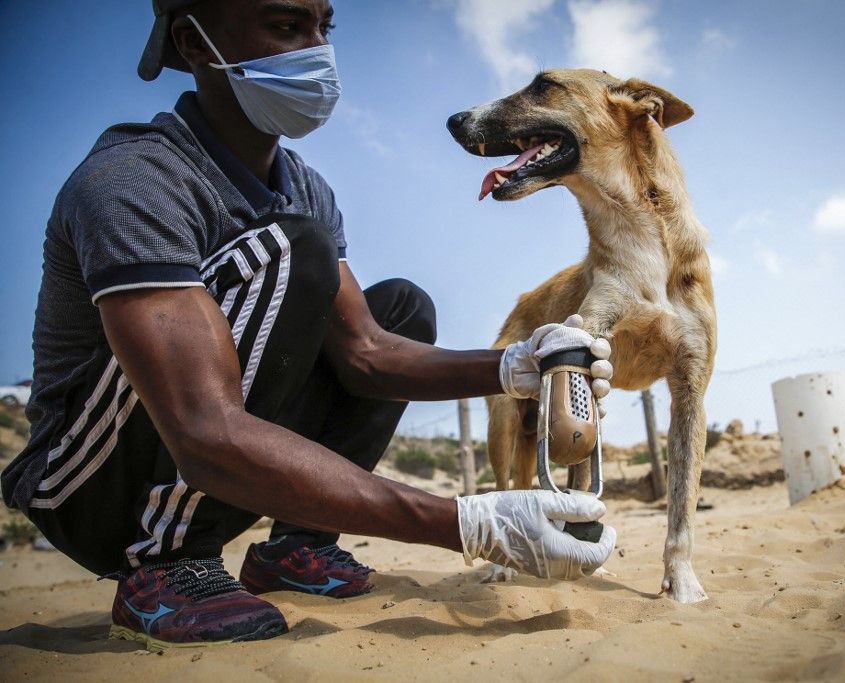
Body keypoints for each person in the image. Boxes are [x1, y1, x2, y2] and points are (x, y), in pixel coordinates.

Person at [1, 0, 616, 650]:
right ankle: (166, 565)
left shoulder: (304, 187)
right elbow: (202, 428)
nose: (319, 52)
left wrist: (516, 364)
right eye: (288, 26)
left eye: (325, 28)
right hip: (91, 488)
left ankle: (295, 548)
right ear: (194, 42)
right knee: (297, 250)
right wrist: (468, 522)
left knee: (402, 305)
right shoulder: (133, 179)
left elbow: (369, 352)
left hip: (210, 455)